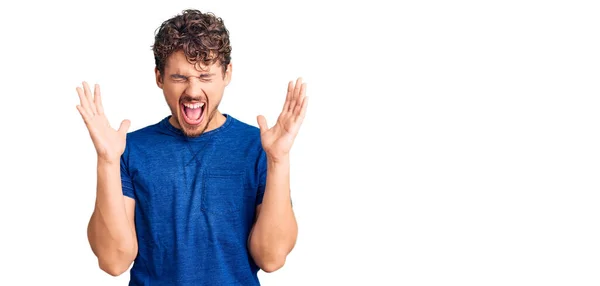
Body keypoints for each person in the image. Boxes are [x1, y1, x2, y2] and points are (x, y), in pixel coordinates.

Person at [75, 9, 307, 285]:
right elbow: (114, 261)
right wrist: (107, 161)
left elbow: (272, 258)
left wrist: (278, 160)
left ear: (227, 74)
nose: (194, 91)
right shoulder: (128, 150)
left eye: (205, 76)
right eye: (180, 77)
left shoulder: (260, 148)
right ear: (159, 77)